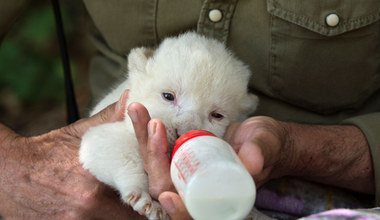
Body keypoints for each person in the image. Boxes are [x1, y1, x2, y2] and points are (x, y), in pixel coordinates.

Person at [1, 0, 379, 219]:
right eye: (168, 98)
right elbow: (100, 150)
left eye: (216, 117)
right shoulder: (145, 81)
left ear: (242, 112)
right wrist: (17, 171)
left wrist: (298, 149)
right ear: (140, 72)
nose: (185, 124)